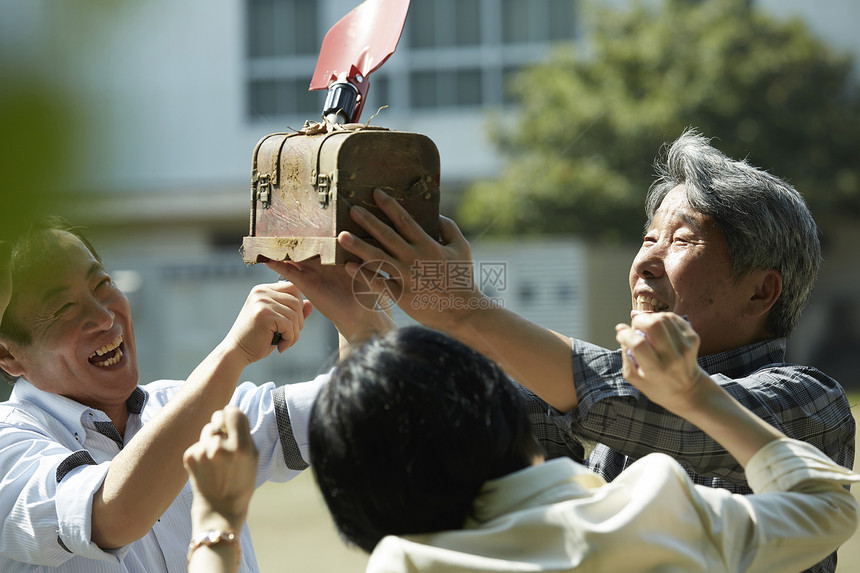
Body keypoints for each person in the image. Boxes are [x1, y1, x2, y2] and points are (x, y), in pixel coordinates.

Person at [331, 129, 856, 573]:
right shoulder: (604, 402)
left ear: (762, 291)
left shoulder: (811, 404)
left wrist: (463, 307)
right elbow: (461, 430)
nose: (646, 261)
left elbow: (649, 408)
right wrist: (356, 310)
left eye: (681, 240)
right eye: (648, 238)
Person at [184, 321, 859, 573]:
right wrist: (695, 395)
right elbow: (831, 502)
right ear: (504, 405)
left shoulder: (413, 563)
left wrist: (217, 522)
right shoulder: (658, 506)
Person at [0, 216, 385, 572]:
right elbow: (111, 514)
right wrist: (233, 354)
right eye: (64, 308)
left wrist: (352, 302)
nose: (104, 316)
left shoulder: (185, 405)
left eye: (102, 284)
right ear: (8, 354)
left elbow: (359, 411)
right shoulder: (9, 444)